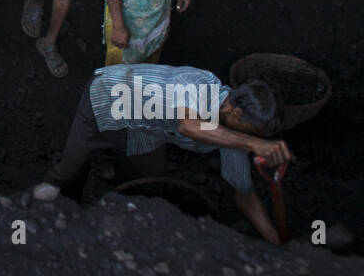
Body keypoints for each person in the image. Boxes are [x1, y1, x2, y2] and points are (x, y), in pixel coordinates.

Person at [32, 63, 292, 244]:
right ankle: (58, 211)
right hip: (107, 101)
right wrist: (252, 144)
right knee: (72, 166)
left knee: (147, 178)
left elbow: (245, 196)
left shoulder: (234, 139)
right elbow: (187, 125)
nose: (253, 139)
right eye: (253, 131)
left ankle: (113, 209)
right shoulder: (199, 83)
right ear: (235, 112)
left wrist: (275, 240)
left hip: (145, 130)